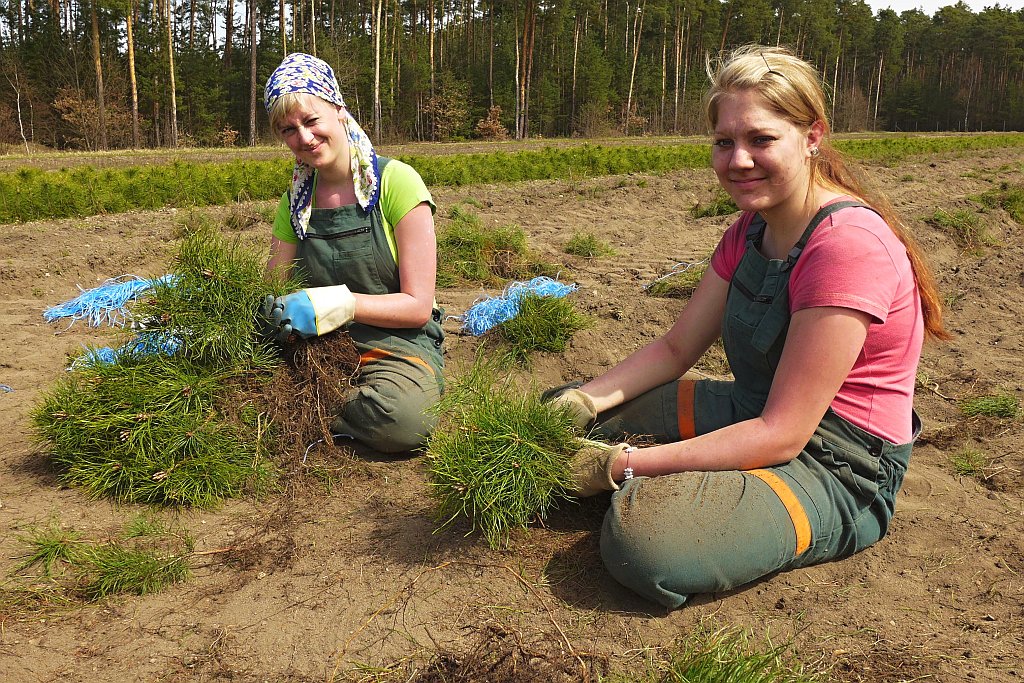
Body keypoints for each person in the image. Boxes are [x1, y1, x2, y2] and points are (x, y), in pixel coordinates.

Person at [547, 44, 949, 609]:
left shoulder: (847, 247)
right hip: (753, 410)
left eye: (761, 139)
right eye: (724, 142)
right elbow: (676, 348)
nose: (738, 160)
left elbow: (783, 434)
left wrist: (621, 465)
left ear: (812, 136)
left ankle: (706, 501)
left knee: (643, 543)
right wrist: (584, 401)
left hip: (837, 462)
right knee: (564, 410)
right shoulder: (749, 230)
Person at [262, 52, 444, 454]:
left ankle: (307, 408)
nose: (304, 138)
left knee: (403, 420)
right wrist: (276, 312)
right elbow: (272, 286)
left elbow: (418, 307)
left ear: (339, 110)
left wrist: (342, 305)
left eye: (311, 120)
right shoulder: (295, 201)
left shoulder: (396, 182)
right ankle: (317, 406)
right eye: (289, 130)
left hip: (393, 343)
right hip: (319, 344)